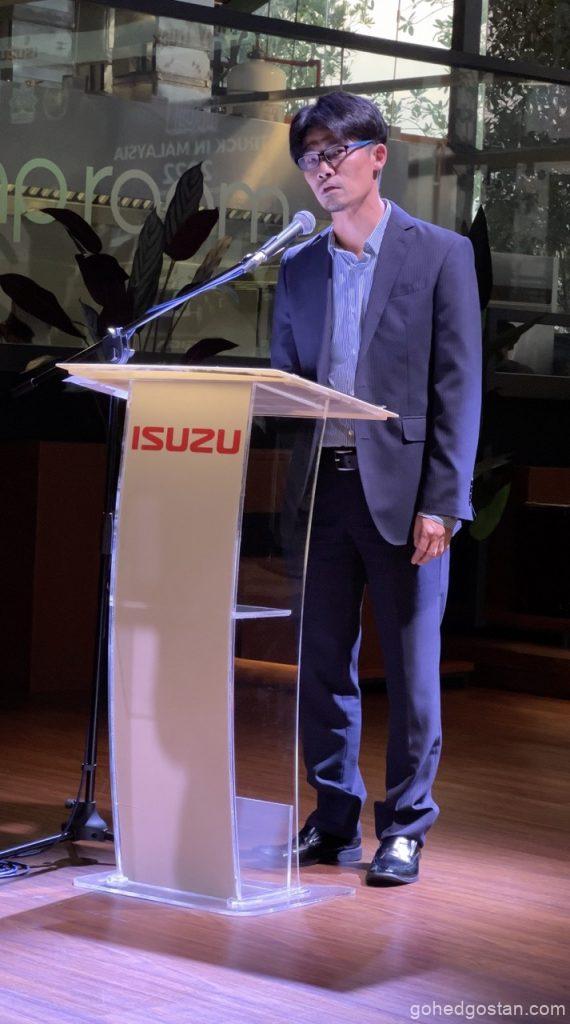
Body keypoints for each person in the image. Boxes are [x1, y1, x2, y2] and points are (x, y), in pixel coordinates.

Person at [270, 91, 481, 885]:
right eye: (309, 159)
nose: (321, 170)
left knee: (413, 670)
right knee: (323, 664)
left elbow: (459, 386)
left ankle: (405, 826)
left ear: (377, 157)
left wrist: (444, 501)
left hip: (405, 493)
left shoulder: (439, 255)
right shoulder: (297, 267)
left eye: (335, 153)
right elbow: (288, 382)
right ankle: (332, 819)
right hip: (320, 492)